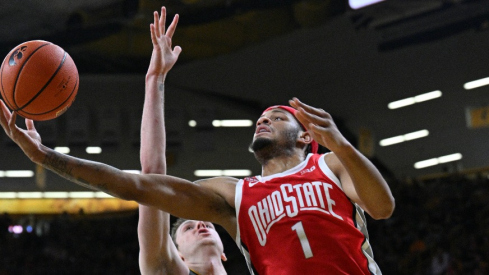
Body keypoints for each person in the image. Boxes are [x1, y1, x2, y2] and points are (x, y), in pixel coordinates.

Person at [0, 10, 395, 275]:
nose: (263, 120)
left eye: (276, 117)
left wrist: (340, 143)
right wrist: (44, 155)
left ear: (307, 136)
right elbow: (141, 182)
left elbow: (382, 207)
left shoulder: (330, 165)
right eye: (260, 118)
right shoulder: (233, 196)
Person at [137, 7, 228, 275]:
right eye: (189, 228)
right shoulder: (167, 269)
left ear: (225, 253)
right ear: (179, 257)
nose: (202, 225)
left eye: (208, 225)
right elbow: (152, 175)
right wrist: (155, 78)